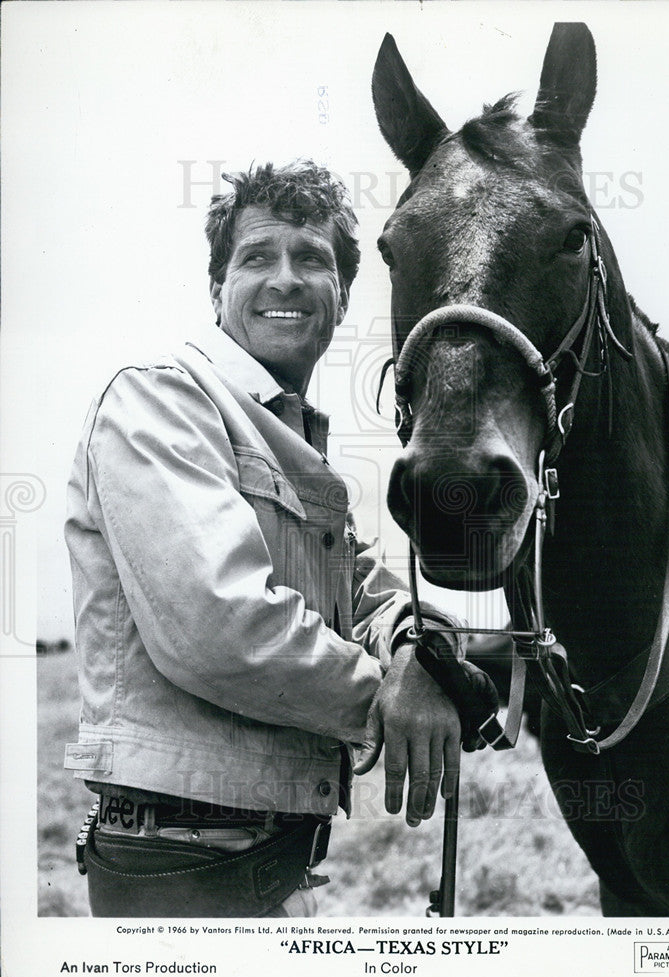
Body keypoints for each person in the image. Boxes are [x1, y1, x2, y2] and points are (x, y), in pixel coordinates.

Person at [64, 160, 492, 918]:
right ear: (216, 287)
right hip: (180, 869)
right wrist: (389, 700)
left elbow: (365, 591)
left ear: (343, 296)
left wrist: (419, 652)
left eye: (313, 259)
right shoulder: (160, 399)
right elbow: (218, 626)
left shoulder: (293, 442)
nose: (285, 279)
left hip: (277, 861)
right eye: (257, 257)